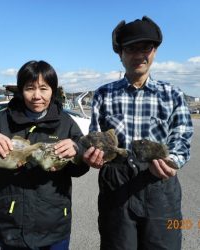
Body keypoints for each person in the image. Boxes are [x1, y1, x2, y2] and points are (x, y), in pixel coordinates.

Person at [83, 16, 193, 250]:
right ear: (120, 53)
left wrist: (172, 160)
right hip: (116, 184)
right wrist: (94, 156)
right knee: (117, 245)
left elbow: (181, 137)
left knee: (165, 245)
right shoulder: (103, 94)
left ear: (154, 52)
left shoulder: (172, 94)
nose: (139, 54)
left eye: (146, 48)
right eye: (131, 48)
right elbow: (95, 135)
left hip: (160, 185)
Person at [0, 60, 89, 250]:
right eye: (30, 88)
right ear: (21, 90)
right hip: (12, 225)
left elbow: (80, 168)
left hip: (54, 225)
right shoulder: (2, 119)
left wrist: (77, 151)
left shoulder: (65, 122)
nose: (37, 96)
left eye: (44, 88)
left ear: (53, 90)